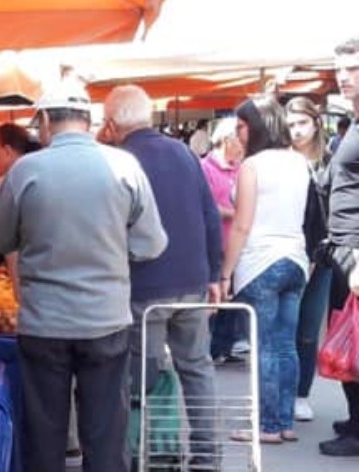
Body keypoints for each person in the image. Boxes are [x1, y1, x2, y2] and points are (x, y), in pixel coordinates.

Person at [0, 82, 167, 472]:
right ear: (89, 120)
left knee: (44, 436)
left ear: (45, 121)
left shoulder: (26, 170)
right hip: (105, 320)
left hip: (44, 322)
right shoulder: (124, 166)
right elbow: (152, 243)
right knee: (106, 437)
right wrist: (113, 251)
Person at [102, 84, 223, 469]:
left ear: (111, 124)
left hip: (145, 286)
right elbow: (210, 215)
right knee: (197, 368)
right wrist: (215, 274)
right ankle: (207, 456)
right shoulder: (184, 153)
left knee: (144, 376)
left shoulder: (117, 162)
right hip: (192, 280)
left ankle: (152, 456)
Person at [221, 95, 309, 444]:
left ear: (257, 127)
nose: (238, 133)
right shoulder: (299, 162)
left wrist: (225, 272)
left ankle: (267, 425)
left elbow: (242, 225)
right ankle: (284, 422)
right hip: (296, 259)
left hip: (259, 261)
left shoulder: (253, 166)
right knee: (286, 345)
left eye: (242, 126)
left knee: (264, 347)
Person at [319, 36, 359, 457]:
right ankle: (355, 420)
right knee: (347, 335)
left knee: (356, 339)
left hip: (356, 249)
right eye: (340, 69)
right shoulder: (355, 121)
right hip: (344, 246)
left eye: (353, 69)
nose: (344, 76)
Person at [285, 96, 334, 422]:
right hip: (288, 251)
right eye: (291, 125)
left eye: (302, 123)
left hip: (323, 255)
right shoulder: (281, 159)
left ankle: (301, 393)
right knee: (283, 328)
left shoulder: (329, 161)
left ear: (316, 123)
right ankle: (281, 394)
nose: (297, 130)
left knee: (308, 327)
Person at [201, 118, 248, 365]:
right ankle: (207, 348)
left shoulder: (242, 169)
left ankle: (224, 346)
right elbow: (209, 206)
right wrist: (239, 213)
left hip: (238, 243)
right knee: (215, 296)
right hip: (216, 242)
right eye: (239, 141)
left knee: (234, 297)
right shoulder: (205, 167)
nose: (243, 146)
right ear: (227, 140)